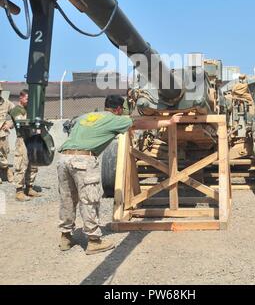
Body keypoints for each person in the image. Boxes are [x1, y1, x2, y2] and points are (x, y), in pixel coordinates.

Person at [57, 94, 182, 255]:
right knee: (89, 199)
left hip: (63, 159)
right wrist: (169, 122)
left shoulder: (88, 116)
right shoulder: (115, 119)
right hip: (83, 160)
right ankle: (94, 241)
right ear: (118, 109)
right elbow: (139, 124)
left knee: (67, 198)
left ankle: (65, 237)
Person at [9, 89, 41, 201]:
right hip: (22, 139)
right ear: (21, 98)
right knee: (21, 164)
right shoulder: (16, 110)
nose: (29, 101)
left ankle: (29, 187)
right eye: (27, 99)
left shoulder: (29, 109)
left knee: (33, 164)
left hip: (31, 138)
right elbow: (22, 123)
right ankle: (19, 191)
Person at [0, 83, 14, 184]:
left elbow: (17, 114)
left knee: (4, 155)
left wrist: (9, 124)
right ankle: (7, 171)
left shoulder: (6, 103)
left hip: (2, 135)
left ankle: (6, 168)